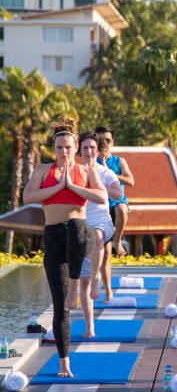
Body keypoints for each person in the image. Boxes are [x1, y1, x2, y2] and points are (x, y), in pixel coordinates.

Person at [23, 118, 107, 376]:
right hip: (54, 238)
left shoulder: (86, 171)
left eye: (68, 147)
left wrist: (73, 186)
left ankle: (75, 290)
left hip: (81, 233)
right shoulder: (42, 170)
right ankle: (64, 363)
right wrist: (59, 186)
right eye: (59, 147)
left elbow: (103, 197)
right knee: (59, 308)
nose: (64, 152)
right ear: (54, 148)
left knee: (74, 226)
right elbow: (28, 197)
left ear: (75, 147)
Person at [78, 131, 122, 337]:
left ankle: (97, 279)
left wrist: (98, 187)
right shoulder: (74, 172)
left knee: (96, 236)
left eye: (92, 148)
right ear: (79, 150)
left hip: (102, 222)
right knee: (82, 280)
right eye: (85, 148)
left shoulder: (105, 172)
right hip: (79, 224)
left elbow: (117, 193)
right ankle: (90, 328)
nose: (89, 151)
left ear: (98, 151)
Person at [95, 125, 134, 301]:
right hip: (100, 208)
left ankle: (118, 241)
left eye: (107, 140)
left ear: (113, 142)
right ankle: (108, 292)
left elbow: (131, 181)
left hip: (117, 202)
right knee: (105, 255)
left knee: (122, 209)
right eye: (100, 140)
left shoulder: (119, 162)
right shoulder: (91, 162)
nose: (104, 143)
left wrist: (110, 173)